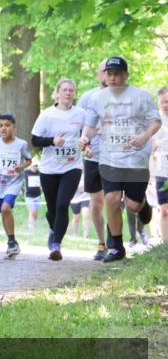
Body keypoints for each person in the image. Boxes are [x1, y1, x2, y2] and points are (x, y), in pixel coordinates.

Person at [79, 56, 161, 262]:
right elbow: (89, 127)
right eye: (109, 74)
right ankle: (116, 247)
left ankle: (143, 206)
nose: (113, 78)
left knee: (132, 206)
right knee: (111, 199)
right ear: (104, 76)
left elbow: (156, 122)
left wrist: (143, 137)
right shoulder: (97, 99)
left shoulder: (140, 96)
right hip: (109, 158)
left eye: (117, 74)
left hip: (135, 159)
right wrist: (84, 139)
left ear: (125, 75)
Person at [31, 78, 86, 260]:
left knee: (63, 204)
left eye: (71, 90)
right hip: (49, 168)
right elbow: (35, 140)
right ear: (57, 93)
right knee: (52, 209)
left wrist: (87, 144)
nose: (68, 93)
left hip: (72, 165)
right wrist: (52, 141)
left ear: (74, 94)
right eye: (64, 90)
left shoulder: (80, 114)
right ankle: (53, 228)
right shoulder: (47, 115)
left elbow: (87, 134)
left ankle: (56, 244)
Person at [77, 60, 110, 259]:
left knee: (114, 200)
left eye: (112, 71)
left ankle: (116, 241)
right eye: (104, 71)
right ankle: (102, 243)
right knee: (97, 202)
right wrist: (86, 145)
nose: (108, 75)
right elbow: (80, 129)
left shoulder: (125, 98)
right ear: (99, 75)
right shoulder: (88, 97)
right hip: (93, 157)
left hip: (116, 157)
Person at [0, 113, 32, 259]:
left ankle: (12, 241)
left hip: (14, 182)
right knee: (3, 211)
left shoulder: (21, 144)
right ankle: (11, 242)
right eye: (0, 126)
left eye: (7, 125)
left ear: (14, 128)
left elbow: (28, 160)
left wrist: (21, 166)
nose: (4, 128)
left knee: (5, 208)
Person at [153, 87, 168, 243]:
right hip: (161, 168)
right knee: (164, 209)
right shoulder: (155, 120)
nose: (166, 104)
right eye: (163, 101)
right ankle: (165, 244)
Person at [23, 159, 43, 232]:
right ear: (31, 166)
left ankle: (30, 225)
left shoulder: (40, 173)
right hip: (29, 195)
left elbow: (43, 183)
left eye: (36, 166)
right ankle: (32, 228)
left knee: (35, 212)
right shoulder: (26, 172)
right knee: (32, 211)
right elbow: (20, 179)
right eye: (34, 166)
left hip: (37, 195)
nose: (35, 167)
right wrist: (20, 189)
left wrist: (42, 187)